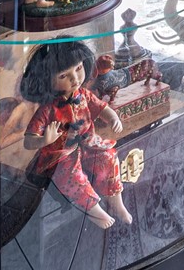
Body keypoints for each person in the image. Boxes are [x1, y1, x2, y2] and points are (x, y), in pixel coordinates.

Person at [17, 40, 134, 229]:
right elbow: (28, 141)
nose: (75, 78)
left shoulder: (84, 94)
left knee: (109, 157)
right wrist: (45, 139)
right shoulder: (47, 110)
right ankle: (93, 210)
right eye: (64, 75)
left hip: (88, 143)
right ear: (48, 80)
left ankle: (116, 202)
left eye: (78, 68)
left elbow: (101, 106)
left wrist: (113, 118)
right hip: (61, 155)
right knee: (72, 176)